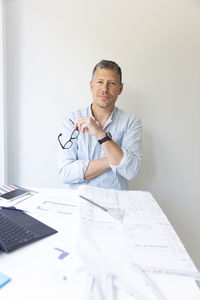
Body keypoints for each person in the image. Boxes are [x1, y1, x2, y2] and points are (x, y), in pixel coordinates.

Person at [58, 60, 142, 190]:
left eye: (112, 83)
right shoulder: (72, 120)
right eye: (100, 82)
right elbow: (65, 173)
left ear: (120, 88)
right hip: (79, 202)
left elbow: (131, 171)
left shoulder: (131, 122)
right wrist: (114, 159)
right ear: (91, 86)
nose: (104, 89)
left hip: (116, 203)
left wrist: (100, 134)